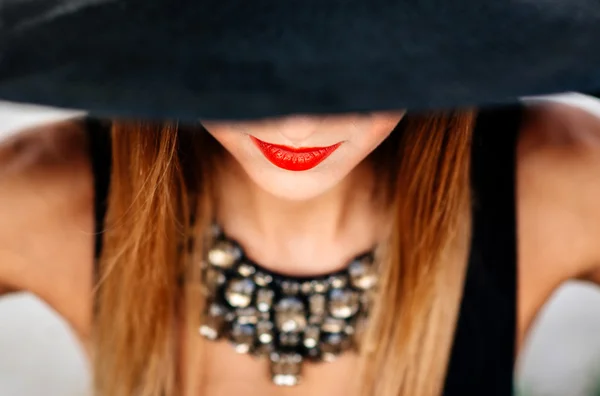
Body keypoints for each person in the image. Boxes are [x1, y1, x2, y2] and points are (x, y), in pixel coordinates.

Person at [1, 96, 600, 396]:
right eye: (248, 58)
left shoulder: (556, 178)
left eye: (352, 61)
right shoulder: (49, 195)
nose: (296, 125)